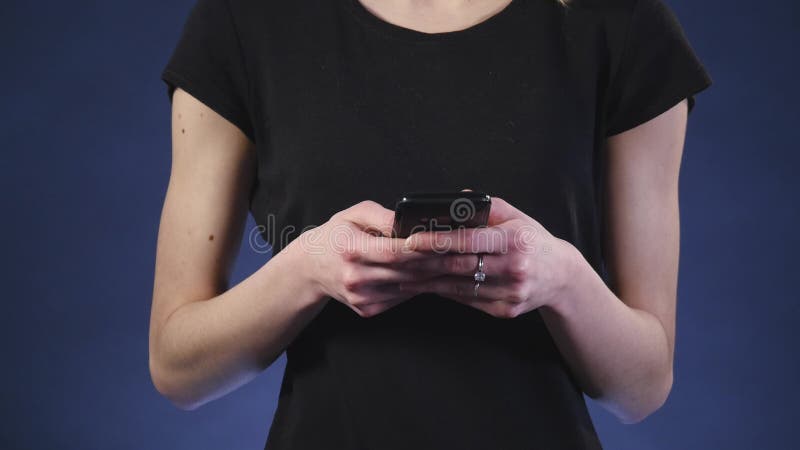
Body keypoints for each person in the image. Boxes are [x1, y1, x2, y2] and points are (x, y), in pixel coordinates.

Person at [148, 0, 712, 448]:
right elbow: (177, 367)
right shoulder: (243, 20)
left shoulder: (619, 22)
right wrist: (307, 270)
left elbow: (643, 386)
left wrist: (560, 278)